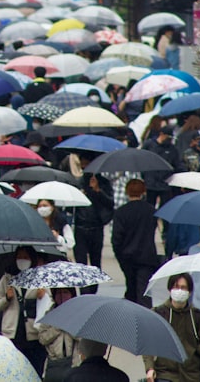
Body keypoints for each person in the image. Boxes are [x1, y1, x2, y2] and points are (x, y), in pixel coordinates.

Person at [0, 246, 48, 375]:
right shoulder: (7, 279)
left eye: (25, 257)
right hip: (12, 334)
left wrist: (42, 296)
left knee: (34, 371)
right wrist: (7, 298)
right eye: (19, 257)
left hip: (33, 335)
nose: (22, 260)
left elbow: (49, 304)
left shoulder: (40, 279)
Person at [144, 274, 200, 382]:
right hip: (165, 374)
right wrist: (149, 368)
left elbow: (199, 349)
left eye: (183, 288)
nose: (179, 290)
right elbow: (148, 344)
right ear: (170, 289)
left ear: (190, 291)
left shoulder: (197, 315)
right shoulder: (159, 313)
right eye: (176, 287)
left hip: (191, 375)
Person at [110, 178, 159, 307]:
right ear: (143, 192)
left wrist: (119, 255)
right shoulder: (151, 211)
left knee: (131, 289)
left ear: (127, 192)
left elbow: (116, 238)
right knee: (144, 292)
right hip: (146, 257)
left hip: (127, 257)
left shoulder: (121, 212)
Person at [72, 154, 114, 293]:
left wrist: (97, 191)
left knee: (96, 262)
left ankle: (93, 290)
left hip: (96, 227)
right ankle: (84, 292)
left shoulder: (104, 183)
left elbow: (109, 203)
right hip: (80, 227)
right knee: (81, 263)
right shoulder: (78, 183)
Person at [38, 287, 77, 382]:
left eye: (65, 292)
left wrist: (68, 324)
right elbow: (42, 339)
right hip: (54, 363)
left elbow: (82, 338)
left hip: (73, 363)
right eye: (59, 293)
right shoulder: (48, 315)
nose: (62, 296)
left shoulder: (78, 313)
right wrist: (57, 326)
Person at [64, 339, 130, 382]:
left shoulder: (72, 376)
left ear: (83, 353)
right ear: (104, 351)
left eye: (80, 351)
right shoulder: (121, 377)